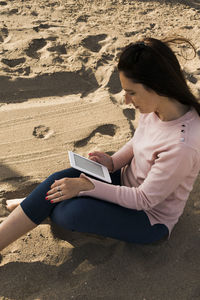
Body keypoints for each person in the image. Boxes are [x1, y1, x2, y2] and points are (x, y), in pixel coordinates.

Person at [1, 37, 200, 253]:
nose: (126, 100)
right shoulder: (155, 108)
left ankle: (37, 207)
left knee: (67, 212)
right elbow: (141, 139)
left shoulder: (183, 146)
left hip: (148, 218)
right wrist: (114, 162)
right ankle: (25, 216)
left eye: (131, 92)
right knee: (58, 180)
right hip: (123, 182)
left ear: (158, 86)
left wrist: (89, 187)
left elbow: (143, 199)